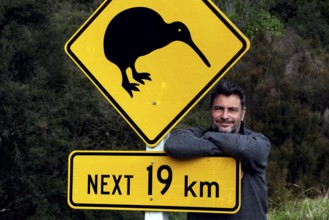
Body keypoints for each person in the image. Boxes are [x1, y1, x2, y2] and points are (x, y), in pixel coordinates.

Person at [164, 80, 271, 220]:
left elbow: (253, 151)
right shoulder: (199, 133)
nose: (225, 116)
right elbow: (173, 143)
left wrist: (208, 140)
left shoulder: (257, 142)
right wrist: (227, 149)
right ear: (211, 111)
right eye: (219, 108)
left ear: (242, 113)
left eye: (232, 110)